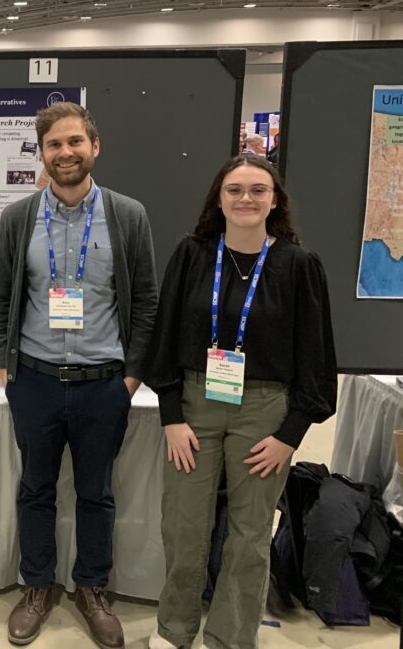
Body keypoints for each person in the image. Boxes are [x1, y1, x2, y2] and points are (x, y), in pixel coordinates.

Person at [145, 154, 336, 649]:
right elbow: (163, 335)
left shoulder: (299, 265)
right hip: (194, 403)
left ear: (275, 200)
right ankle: (175, 629)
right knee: (184, 528)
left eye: (257, 189)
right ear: (219, 198)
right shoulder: (192, 255)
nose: (245, 199)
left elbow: (316, 359)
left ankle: (231, 636)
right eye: (234, 189)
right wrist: (170, 415)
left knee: (249, 538)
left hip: (264, 411)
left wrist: (289, 436)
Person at [0, 102, 158, 647]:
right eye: (54, 145)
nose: (65, 153)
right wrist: (3, 367)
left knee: (96, 492)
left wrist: (130, 377)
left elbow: (147, 302)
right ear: (42, 153)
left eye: (74, 142)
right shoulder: (18, 218)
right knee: (35, 489)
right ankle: (37, 587)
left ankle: (92, 588)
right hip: (33, 381)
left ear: (95, 147)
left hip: (103, 384)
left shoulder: (128, 216)